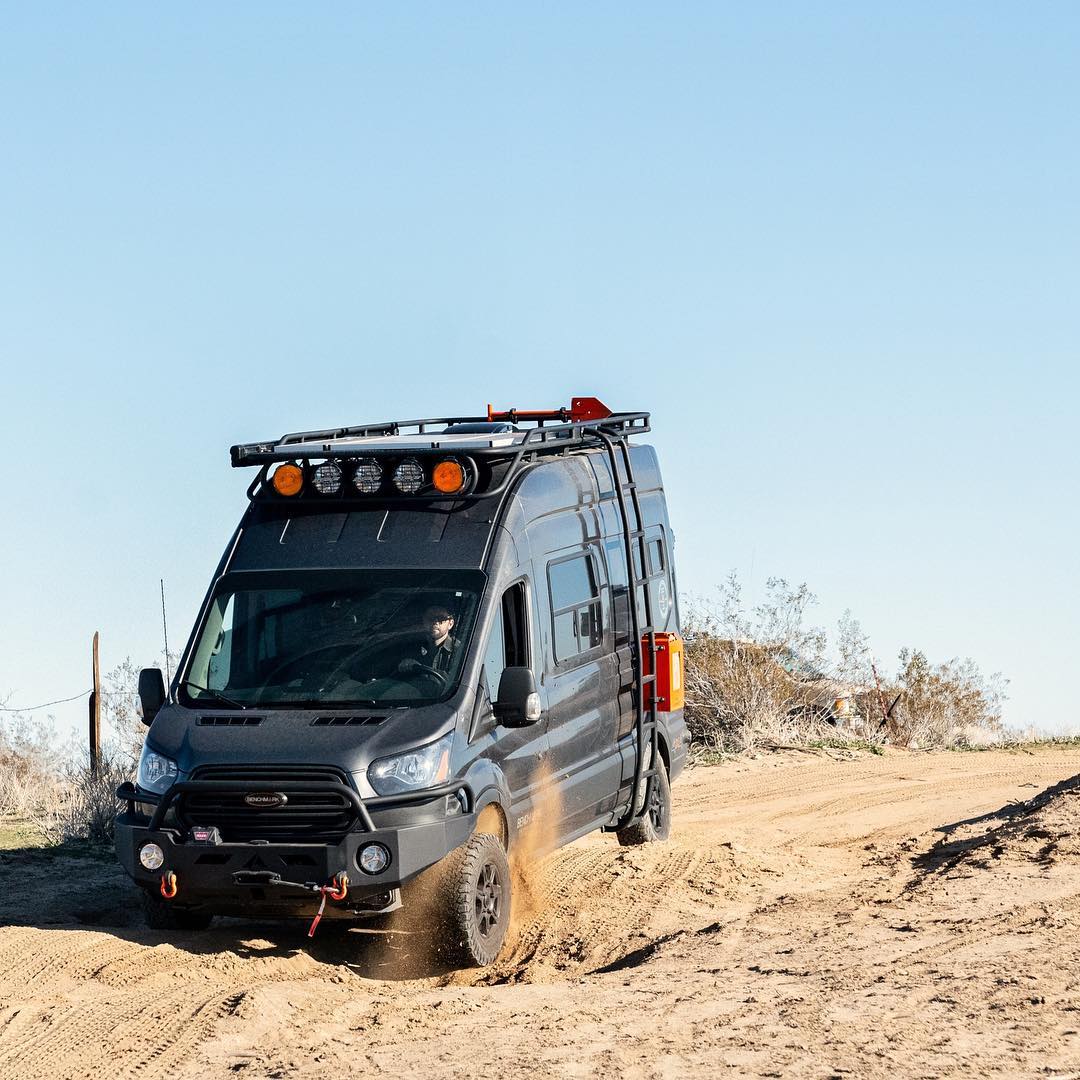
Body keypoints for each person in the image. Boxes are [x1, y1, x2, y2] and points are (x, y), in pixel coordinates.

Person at [396, 603, 459, 677]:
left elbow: (455, 682)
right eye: (431, 617)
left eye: (441, 618)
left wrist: (420, 668)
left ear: (450, 624)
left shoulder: (459, 651)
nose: (435, 622)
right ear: (423, 621)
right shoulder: (411, 645)